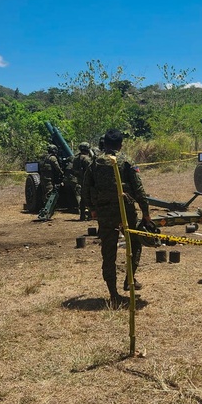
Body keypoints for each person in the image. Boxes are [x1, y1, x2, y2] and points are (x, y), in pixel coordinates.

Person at [83, 129, 154, 307]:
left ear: (105, 144)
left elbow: (85, 189)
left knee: (108, 253)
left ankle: (113, 293)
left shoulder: (95, 163)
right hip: (126, 212)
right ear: (120, 144)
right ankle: (129, 278)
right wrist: (146, 213)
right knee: (135, 243)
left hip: (105, 214)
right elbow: (139, 190)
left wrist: (92, 209)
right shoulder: (127, 161)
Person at [37, 144, 64, 221]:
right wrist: (62, 173)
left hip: (43, 179)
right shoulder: (52, 158)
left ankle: (47, 212)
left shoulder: (43, 158)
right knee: (50, 195)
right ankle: (46, 213)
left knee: (45, 195)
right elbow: (57, 167)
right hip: (49, 179)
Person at [71, 142, 95, 220]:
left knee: (82, 199)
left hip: (78, 181)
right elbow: (92, 169)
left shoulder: (75, 158)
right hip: (87, 182)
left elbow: (73, 170)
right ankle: (90, 216)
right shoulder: (87, 159)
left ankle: (82, 215)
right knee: (89, 198)